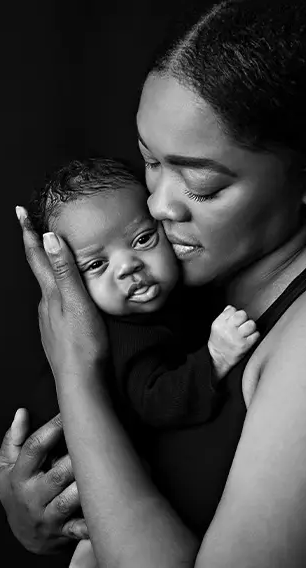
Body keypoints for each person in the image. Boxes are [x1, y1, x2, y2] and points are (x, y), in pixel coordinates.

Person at [0, 0, 306, 566]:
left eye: (201, 183)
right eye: (149, 163)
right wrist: (51, 515)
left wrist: (77, 374)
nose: (159, 205)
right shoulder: (196, 291)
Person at [27, 157, 259, 431]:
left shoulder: (186, 294)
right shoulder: (122, 340)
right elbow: (157, 404)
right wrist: (215, 358)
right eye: (96, 265)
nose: (128, 266)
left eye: (143, 239)